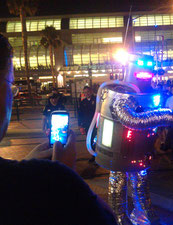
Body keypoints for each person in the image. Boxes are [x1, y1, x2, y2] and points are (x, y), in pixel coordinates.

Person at [0, 34, 117, 224]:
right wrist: (62, 174)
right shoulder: (54, 178)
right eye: (10, 85)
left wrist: (25, 164)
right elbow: (107, 218)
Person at [78, 86, 96, 162]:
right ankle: (94, 155)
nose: (86, 94)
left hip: (96, 123)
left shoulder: (96, 100)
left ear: (91, 91)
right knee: (90, 140)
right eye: (85, 92)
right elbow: (80, 114)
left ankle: (96, 156)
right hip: (87, 124)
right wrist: (80, 125)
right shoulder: (83, 102)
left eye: (88, 92)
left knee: (96, 139)